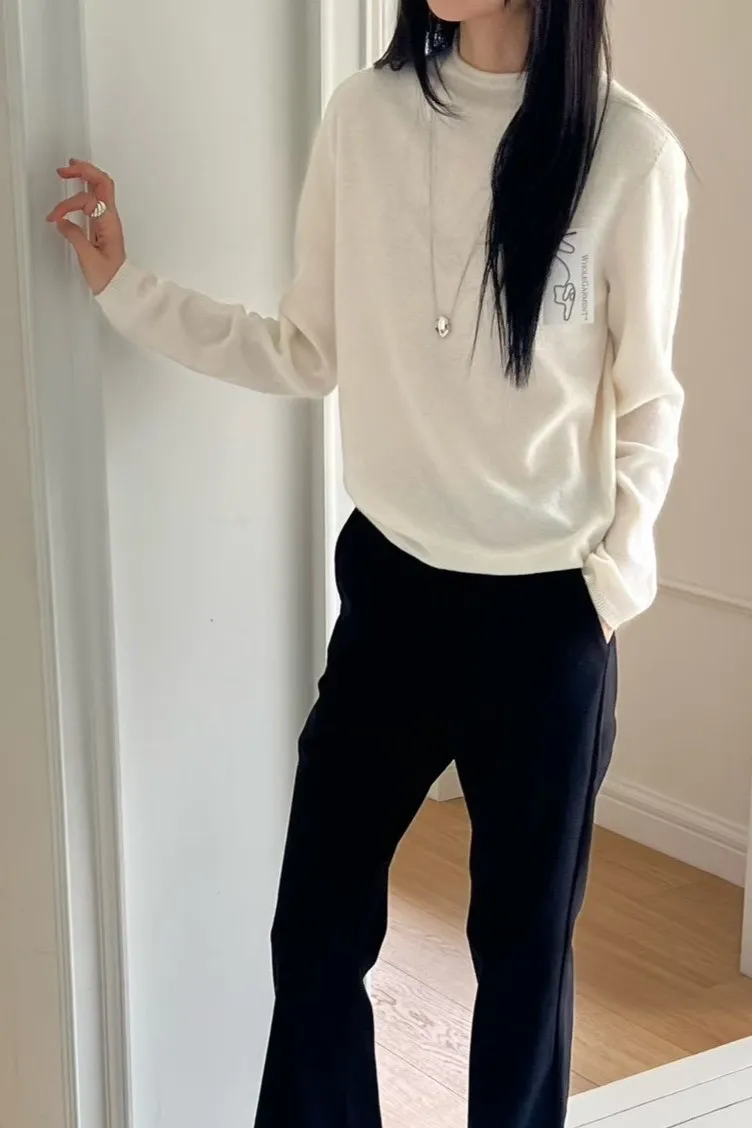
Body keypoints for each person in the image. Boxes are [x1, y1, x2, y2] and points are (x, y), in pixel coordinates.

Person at [47, 1, 688, 1124]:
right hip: (394, 596)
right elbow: (306, 348)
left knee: (522, 965)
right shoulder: (363, 118)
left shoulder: (627, 152)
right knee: (315, 931)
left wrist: (607, 586)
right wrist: (126, 288)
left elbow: (648, 404)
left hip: (545, 618)